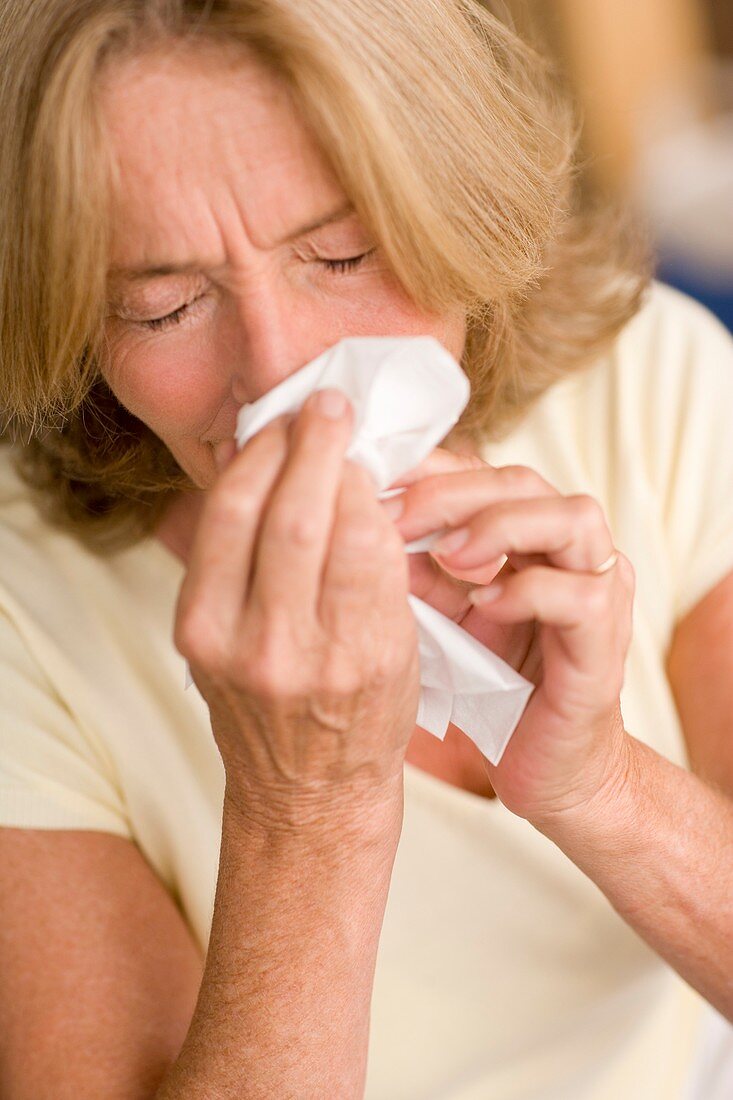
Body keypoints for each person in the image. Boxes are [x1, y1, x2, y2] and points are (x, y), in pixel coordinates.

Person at [0, 2, 731, 1098]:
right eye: (161, 306)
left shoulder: (653, 386)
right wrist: (305, 814)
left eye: (342, 253)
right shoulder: (26, 605)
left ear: (457, 207)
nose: (283, 370)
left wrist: (599, 780)